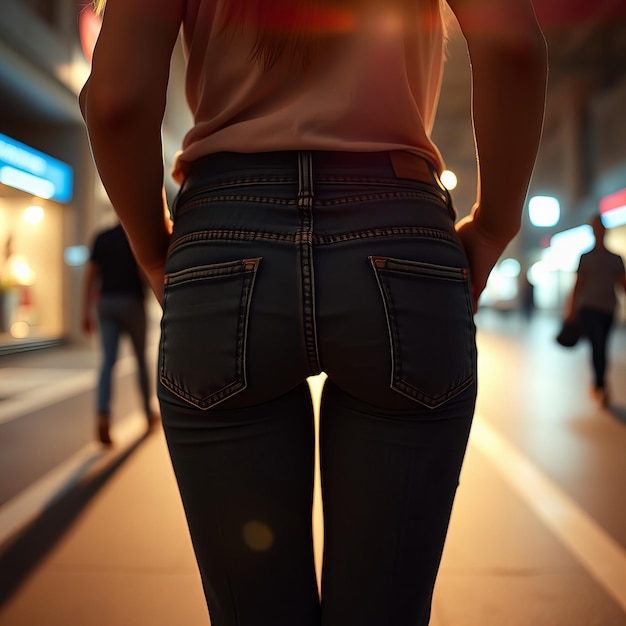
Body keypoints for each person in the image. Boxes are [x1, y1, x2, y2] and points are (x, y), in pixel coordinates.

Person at [80, 0, 547, 623]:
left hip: (226, 233)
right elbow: (513, 44)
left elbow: (114, 99)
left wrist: (153, 252)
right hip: (396, 230)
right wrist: (492, 228)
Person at [82, 222, 158, 445]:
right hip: (132, 302)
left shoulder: (102, 237)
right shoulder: (135, 237)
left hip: (106, 304)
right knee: (141, 360)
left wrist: (85, 313)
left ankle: (102, 413)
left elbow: (90, 276)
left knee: (108, 362)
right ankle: (147, 412)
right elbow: (144, 273)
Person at [565, 215, 626, 408]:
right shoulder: (585, 258)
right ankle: (600, 385)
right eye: (594, 228)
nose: (597, 231)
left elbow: (623, 284)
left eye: (600, 228)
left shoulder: (615, 259)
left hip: (609, 309)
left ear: (604, 231)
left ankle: (598, 382)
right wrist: (570, 310)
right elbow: (578, 286)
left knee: (603, 346)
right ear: (592, 232)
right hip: (588, 309)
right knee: (597, 344)